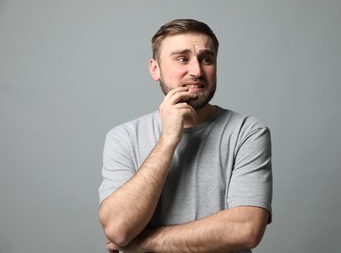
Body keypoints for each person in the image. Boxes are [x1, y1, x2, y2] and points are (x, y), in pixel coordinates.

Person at [98, 18, 273, 253]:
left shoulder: (247, 132)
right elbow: (119, 229)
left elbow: (246, 228)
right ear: (155, 69)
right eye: (182, 59)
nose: (197, 71)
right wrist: (169, 139)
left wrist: (139, 242)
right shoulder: (123, 137)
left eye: (207, 59)